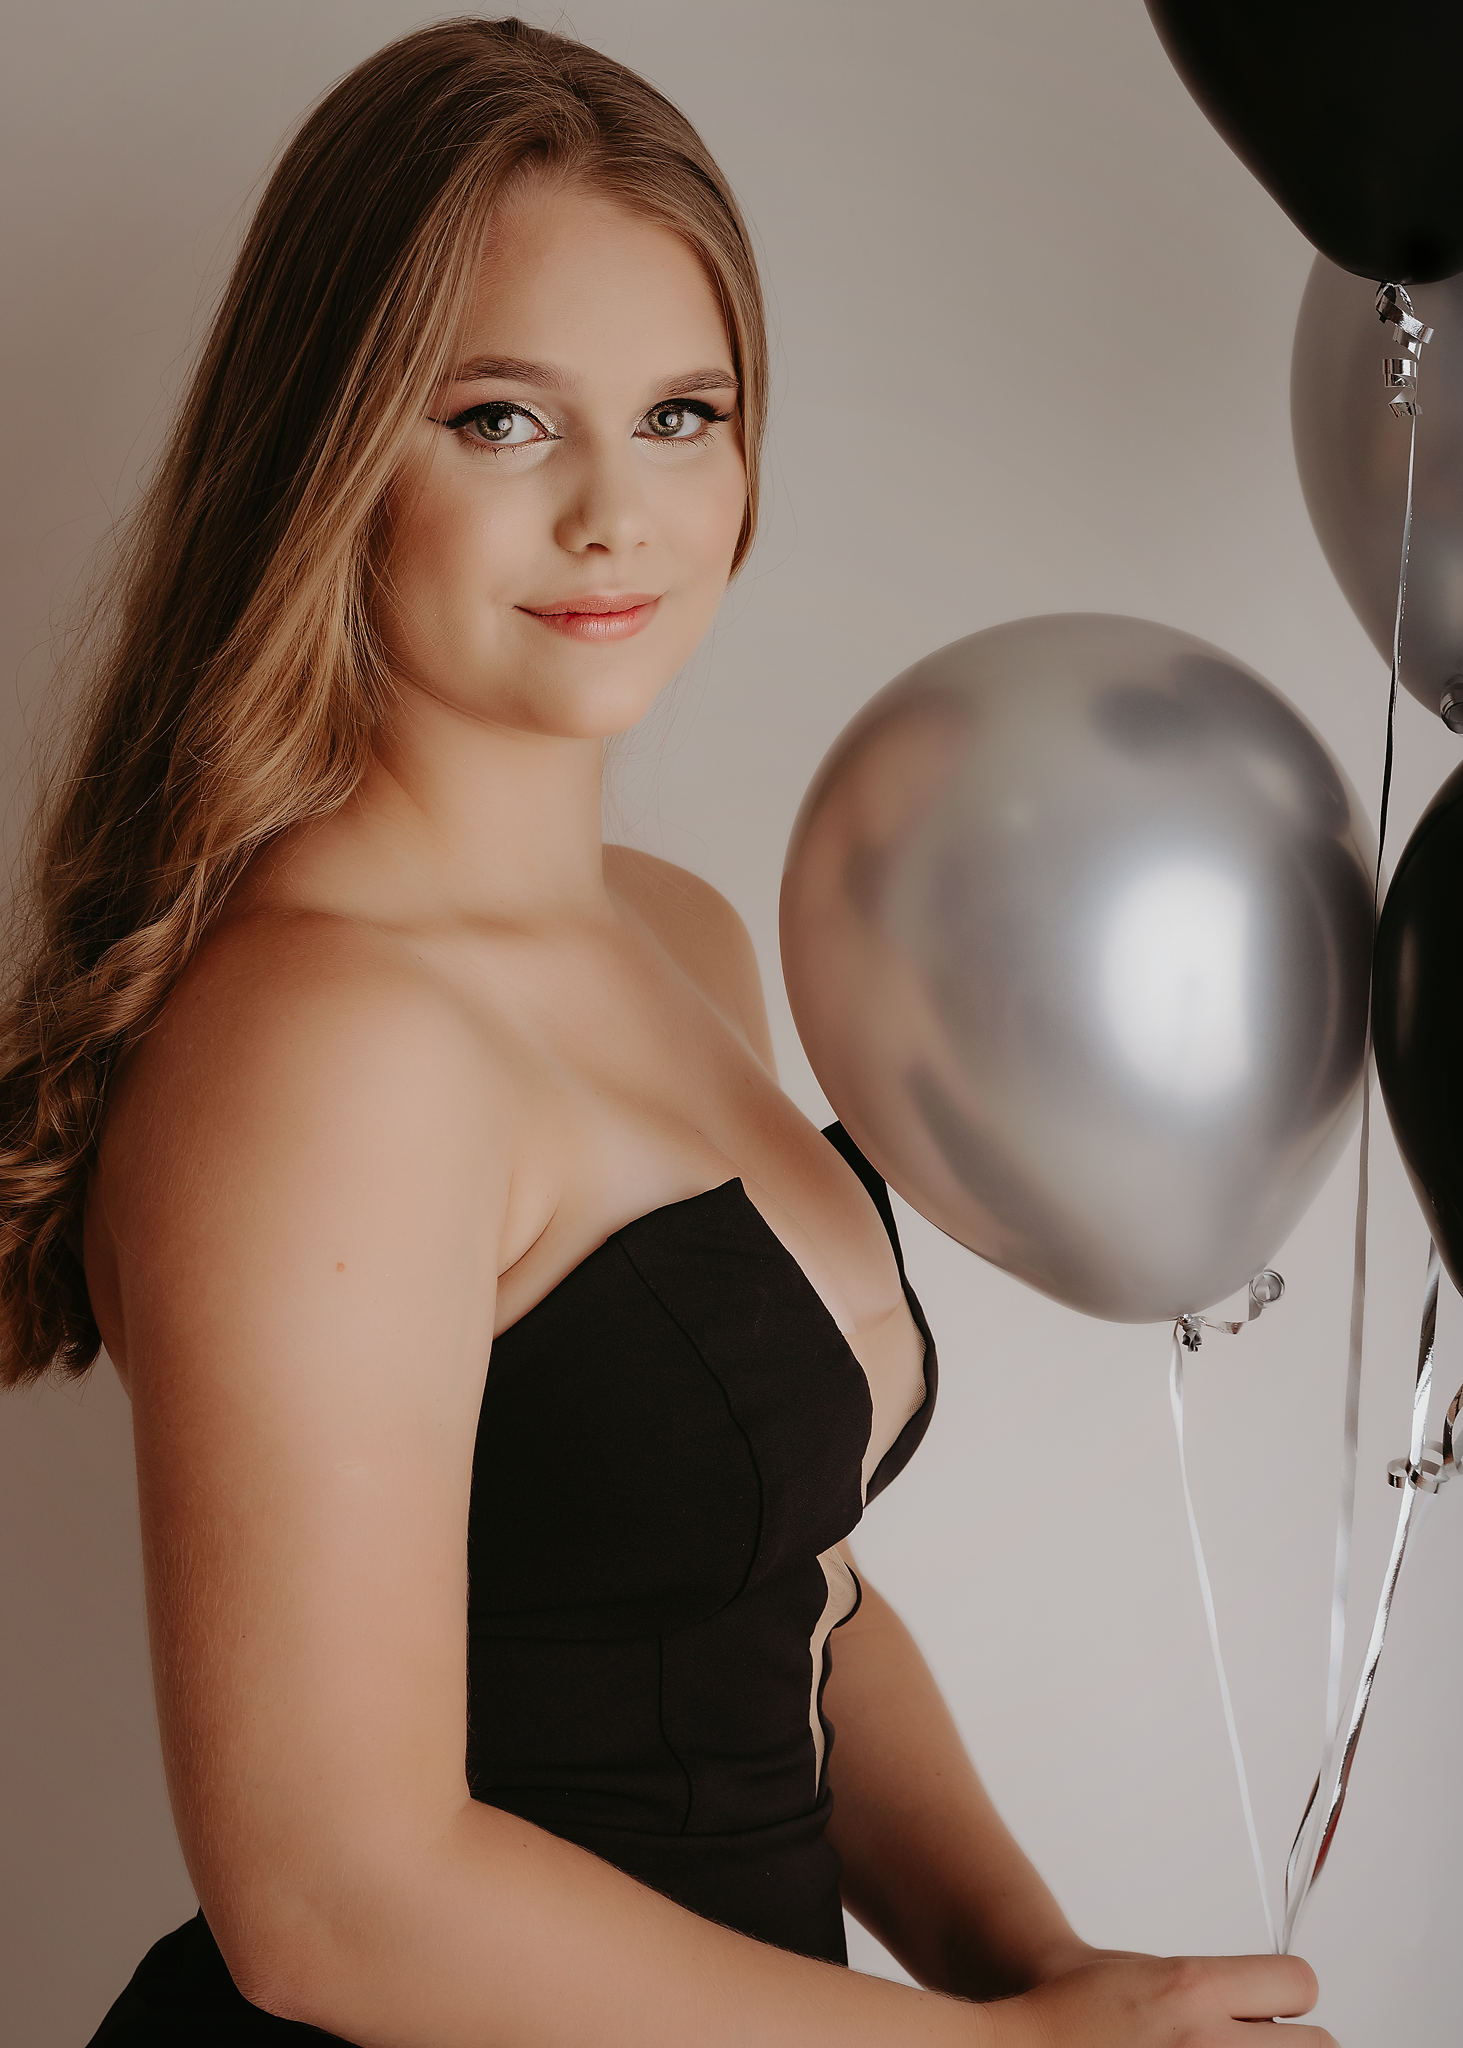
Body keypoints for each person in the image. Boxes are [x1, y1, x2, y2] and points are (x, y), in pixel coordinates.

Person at [0, 18, 1334, 2046]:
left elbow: (793, 1587)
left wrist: (1046, 1969)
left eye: (682, 414)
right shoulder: (322, 1043)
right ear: (330, 456)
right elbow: (333, 1903)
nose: (616, 513)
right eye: (501, 421)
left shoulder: (680, 933)